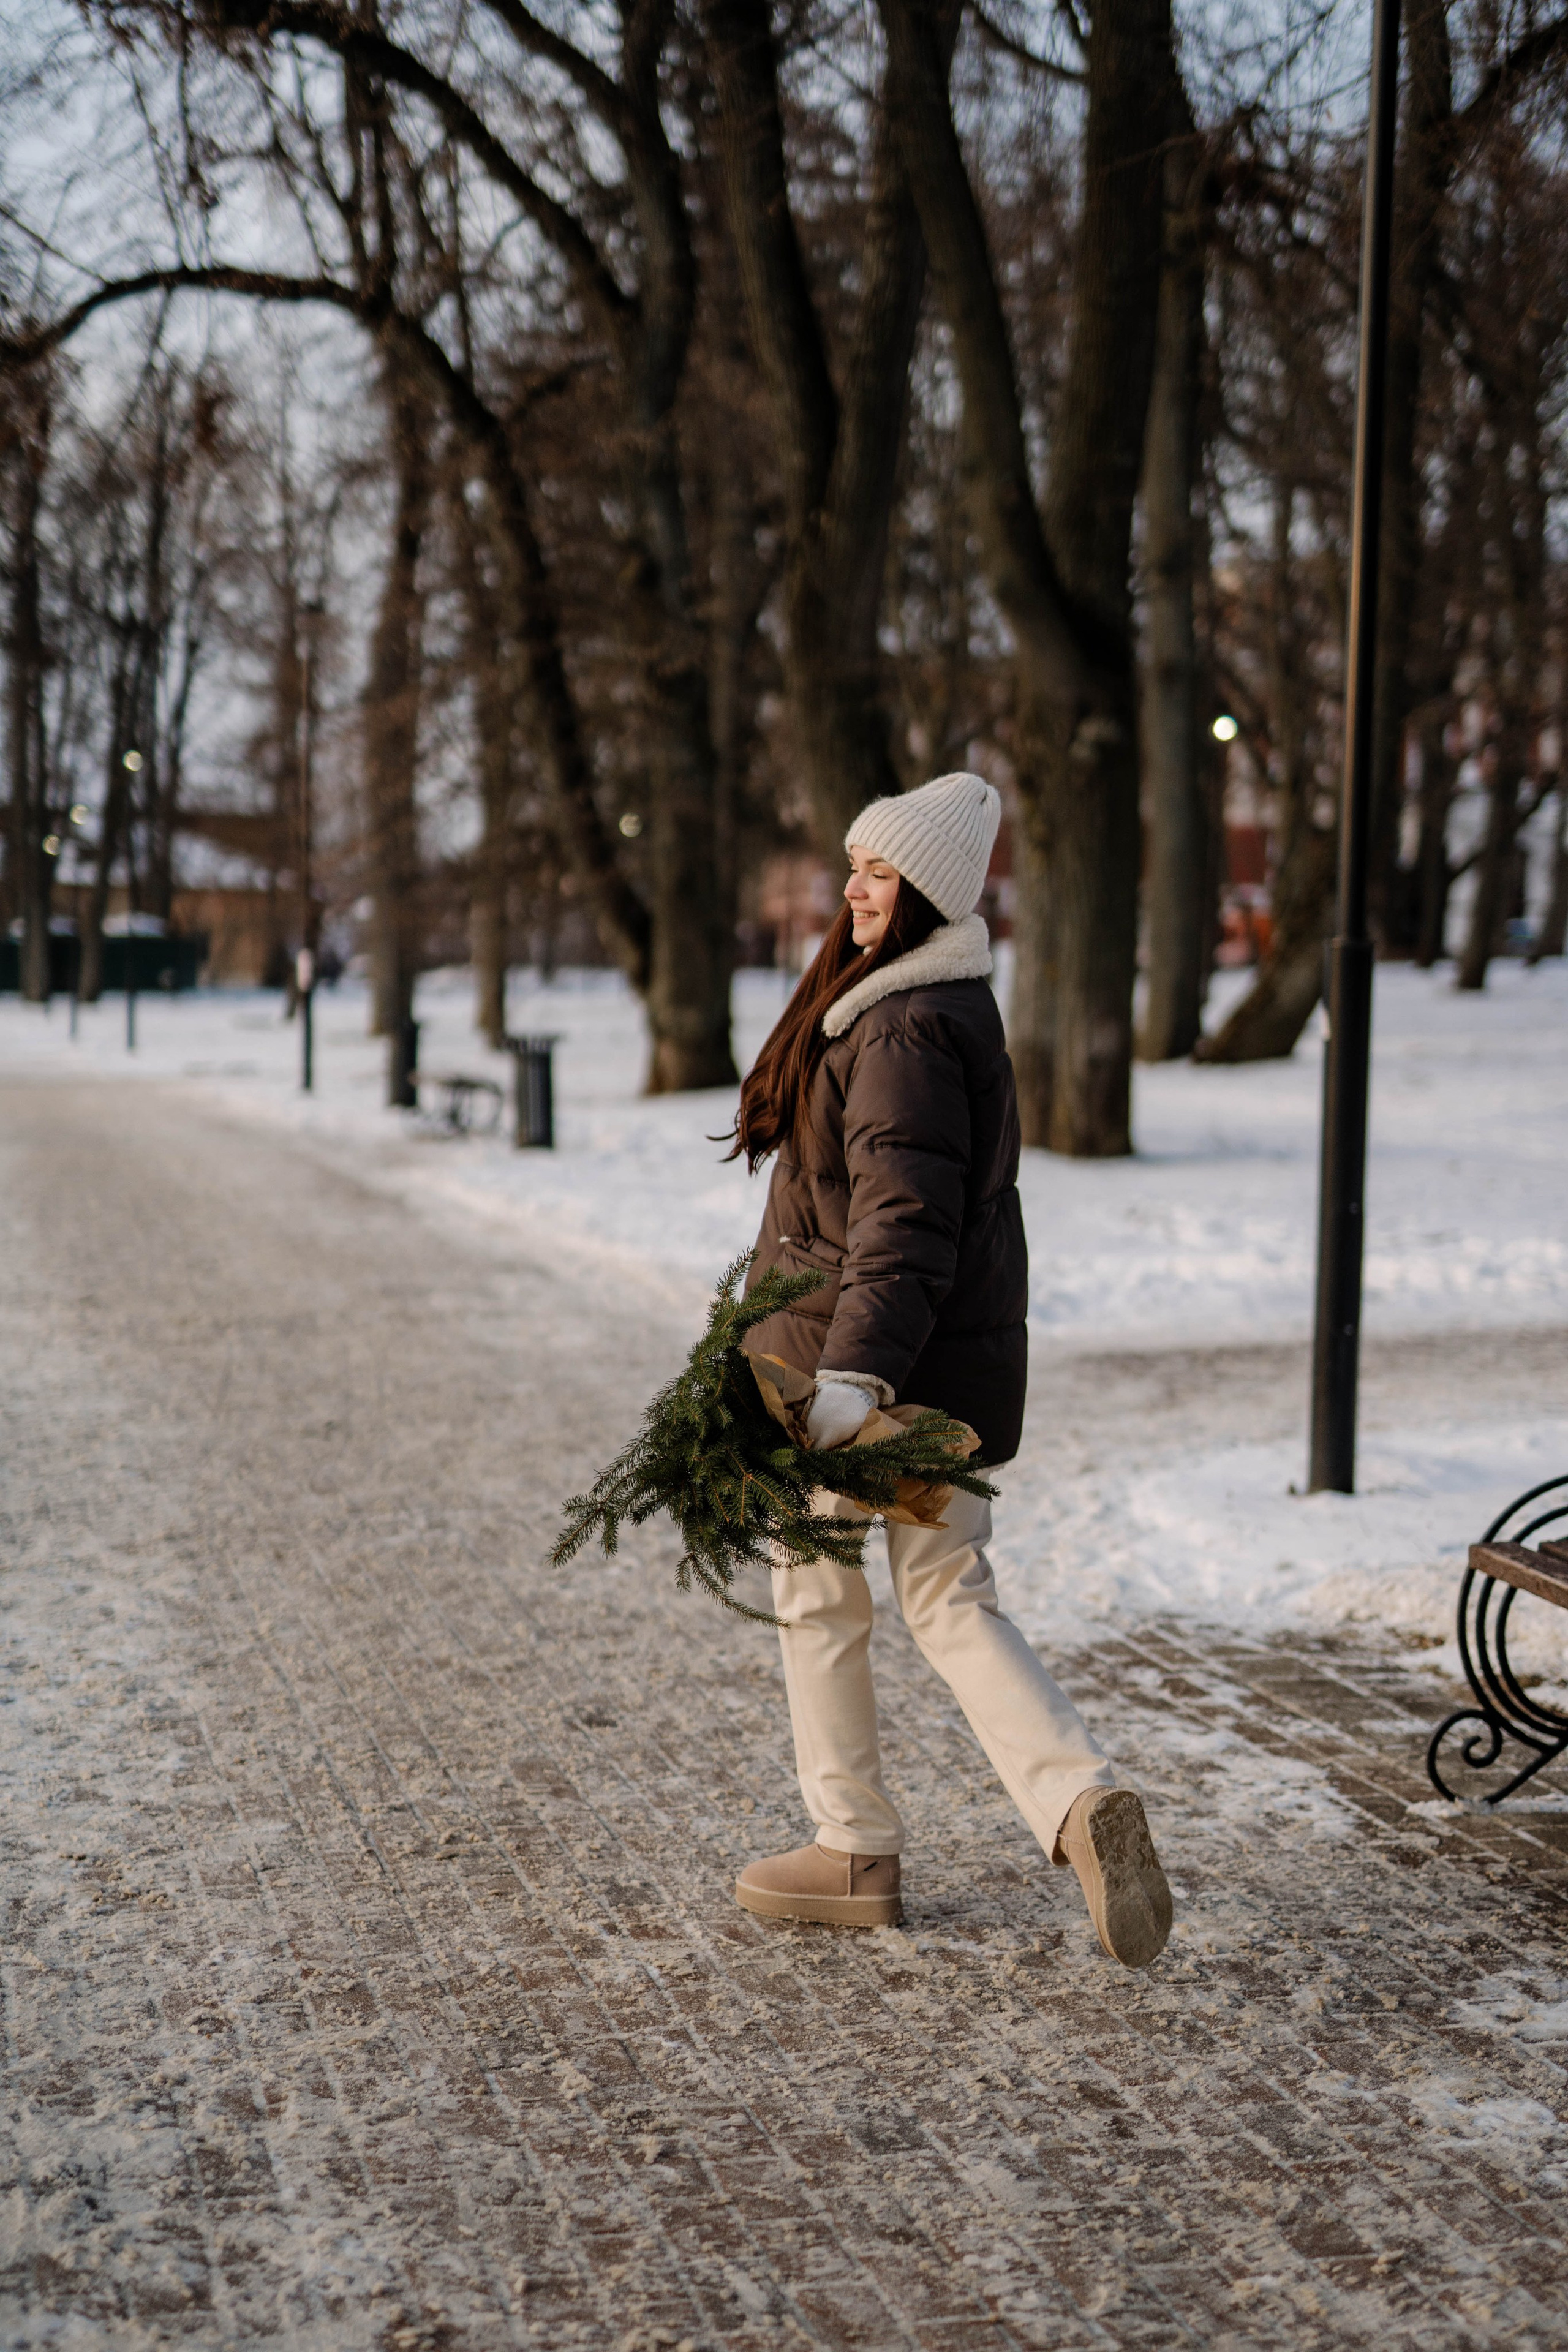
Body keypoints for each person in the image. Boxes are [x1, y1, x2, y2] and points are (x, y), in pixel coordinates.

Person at [726, 772, 1172, 1967]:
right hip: (936, 1376)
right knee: (947, 1596)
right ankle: (1079, 1808)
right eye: (855, 867)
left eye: (878, 873)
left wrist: (849, 1384)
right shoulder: (934, 1005)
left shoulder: (903, 1026)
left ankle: (851, 1849)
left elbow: (902, 1227)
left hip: (866, 1382)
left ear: (924, 892)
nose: (855, 890)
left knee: (817, 1592)